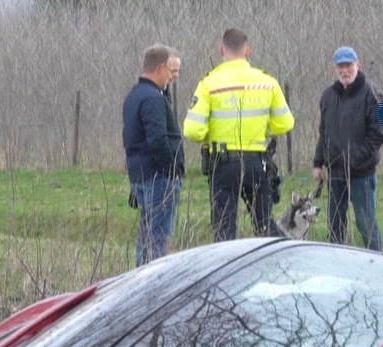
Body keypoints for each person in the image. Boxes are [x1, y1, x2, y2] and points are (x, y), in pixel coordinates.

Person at [184, 28, 295, 242]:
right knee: (264, 225)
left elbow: (192, 130)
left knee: (224, 229)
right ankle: (279, 263)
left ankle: (228, 270)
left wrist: (211, 134)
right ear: (248, 51)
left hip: (223, 164)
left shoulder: (209, 84)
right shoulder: (267, 82)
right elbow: (285, 123)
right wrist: (263, 128)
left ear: (221, 51)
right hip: (257, 162)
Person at [312, 46, 383, 250]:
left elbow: (380, 134)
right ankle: (338, 263)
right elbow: (323, 132)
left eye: (349, 65)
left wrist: (354, 158)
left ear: (358, 65)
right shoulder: (328, 95)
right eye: (340, 66)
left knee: (366, 224)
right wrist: (318, 163)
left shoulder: (374, 93)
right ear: (335, 69)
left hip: (362, 174)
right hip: (335, 173)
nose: (345, 71)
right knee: (335, 225)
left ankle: (377, 262)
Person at [123, 45, 184, 265]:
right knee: (158, 242)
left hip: (142, 177)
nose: (175, 76)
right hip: (159, 180)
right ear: (160, 68)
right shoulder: (152, 99)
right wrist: (173, 170)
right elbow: (157, 140)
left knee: (146, 240)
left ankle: (141, 281)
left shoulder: (135, 96)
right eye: (172, 71)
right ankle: (155, 289)